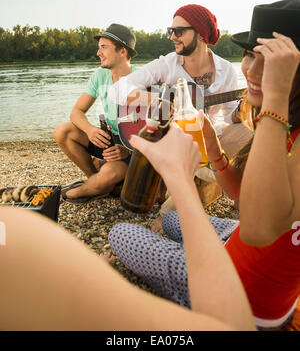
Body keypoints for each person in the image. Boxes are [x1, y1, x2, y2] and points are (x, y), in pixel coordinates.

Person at [108, 0, 300, 331]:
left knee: (120, 233)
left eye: (269, 62)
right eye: (250, 55)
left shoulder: (276, 119)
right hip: (250, 253)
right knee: (170, 222)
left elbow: (255, 228)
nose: (252, 71)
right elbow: (242, 192)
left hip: (238, 298)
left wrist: (177, 175)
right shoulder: (287, 131)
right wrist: (212, 146)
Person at [0, 123, 256, 331]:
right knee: (162, 222)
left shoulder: (15, 236)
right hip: (237, 257)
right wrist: (192, 165)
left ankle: (84, 193)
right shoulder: (16, 233)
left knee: (122, 232)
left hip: (234, 271)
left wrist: (179, 174)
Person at [109, 4, 247, 230]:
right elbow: (117, 90)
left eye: (179, 31)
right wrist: (157, 101)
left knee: (253, 139)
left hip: (211, 139)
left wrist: (239, 113)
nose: (173, 37)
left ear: (201, 33)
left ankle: (243, 198)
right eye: (170, 31)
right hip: (175, 143)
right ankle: (181, 207)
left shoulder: (226, 70)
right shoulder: (167, 64)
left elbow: (228, 114)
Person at [53, 24, 138, 203]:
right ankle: (96, 183)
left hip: (133, 149)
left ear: (122, 51)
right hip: (109, 140)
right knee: (62, 131)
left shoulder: (142, 79)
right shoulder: (100, 75)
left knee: (110, 173)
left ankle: (93, 185)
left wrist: (128, 151)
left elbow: (156, 132)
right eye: (99, 47)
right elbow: (76, 112)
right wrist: (90, 130)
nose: (98, 53)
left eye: (103, 47)